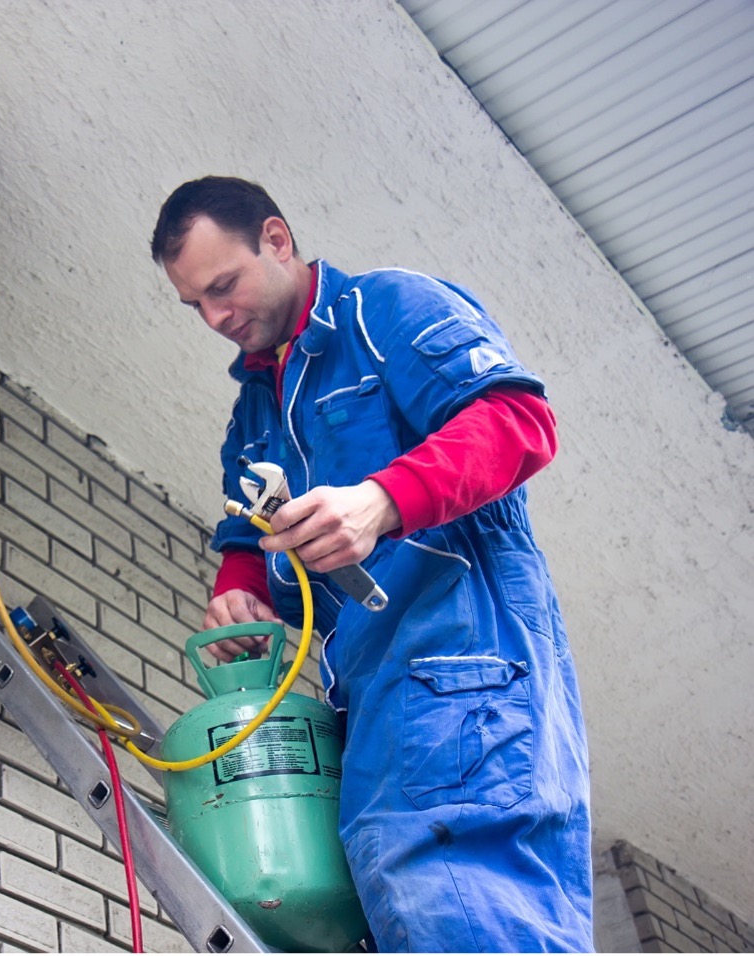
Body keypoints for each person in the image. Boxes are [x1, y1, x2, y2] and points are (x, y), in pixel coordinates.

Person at [150, 176, 593, 952]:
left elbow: (519, 421)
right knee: (408, 909)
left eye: (224, 286)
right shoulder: (253, 414)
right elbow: (246, 541)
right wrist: (239, 597)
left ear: (278, 240)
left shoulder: (382, 309)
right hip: (368, 703)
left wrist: (383, 500)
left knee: (469, 906)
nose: (216, 317)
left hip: (467, 675)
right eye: (196, 306)